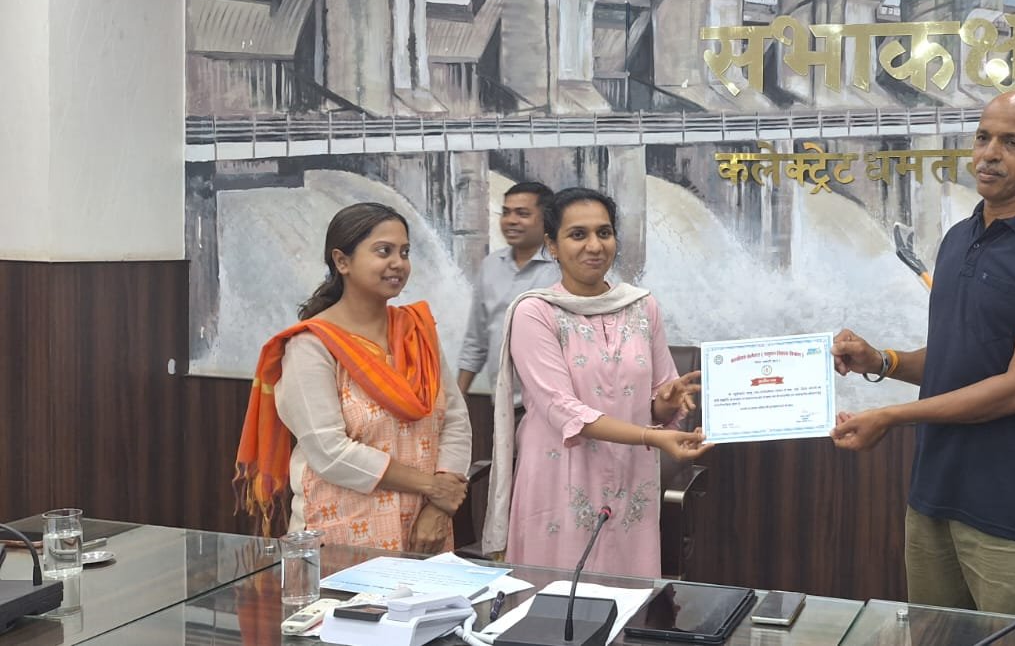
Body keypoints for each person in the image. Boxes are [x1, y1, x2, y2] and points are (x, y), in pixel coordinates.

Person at [830, 91, 1015, 618]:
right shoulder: (958, 239)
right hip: (933, 495)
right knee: (933, 635)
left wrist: (889, 416)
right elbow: (957, 361)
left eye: (1012, 142)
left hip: (1013, 505)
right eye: (983, 138)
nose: (990, 154)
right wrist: (880, 361)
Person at [479, 187, 711, 576]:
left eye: (604, 233)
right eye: (578, 234)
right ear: (552, 245)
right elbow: (562, 409)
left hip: (630, 477)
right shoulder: (535, 312)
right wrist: (651, 436)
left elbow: (657, 399)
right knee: (558, 598)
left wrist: (666, 404)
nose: (594, 246)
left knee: (626, 595)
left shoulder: (642, 306)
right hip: (561, 477)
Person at [234, 202, 472, 553]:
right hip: (344, 535)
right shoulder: (311, 346)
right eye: (383, 251)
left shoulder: (417, 333)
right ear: (342, 261)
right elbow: (329, 451)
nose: (398, 263)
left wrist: (439, 506)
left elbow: (454, 418)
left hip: (426, 531)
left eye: (404, 252)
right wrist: (431, 486)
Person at [458, 182, 561, 397]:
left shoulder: (563, 267)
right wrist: (459, 395)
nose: (511, 221)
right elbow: (477, 340)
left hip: (553, 401)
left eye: (522, 214)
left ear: (547, 219)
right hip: (502, 402)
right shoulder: (491, 266)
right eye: (506, 213)